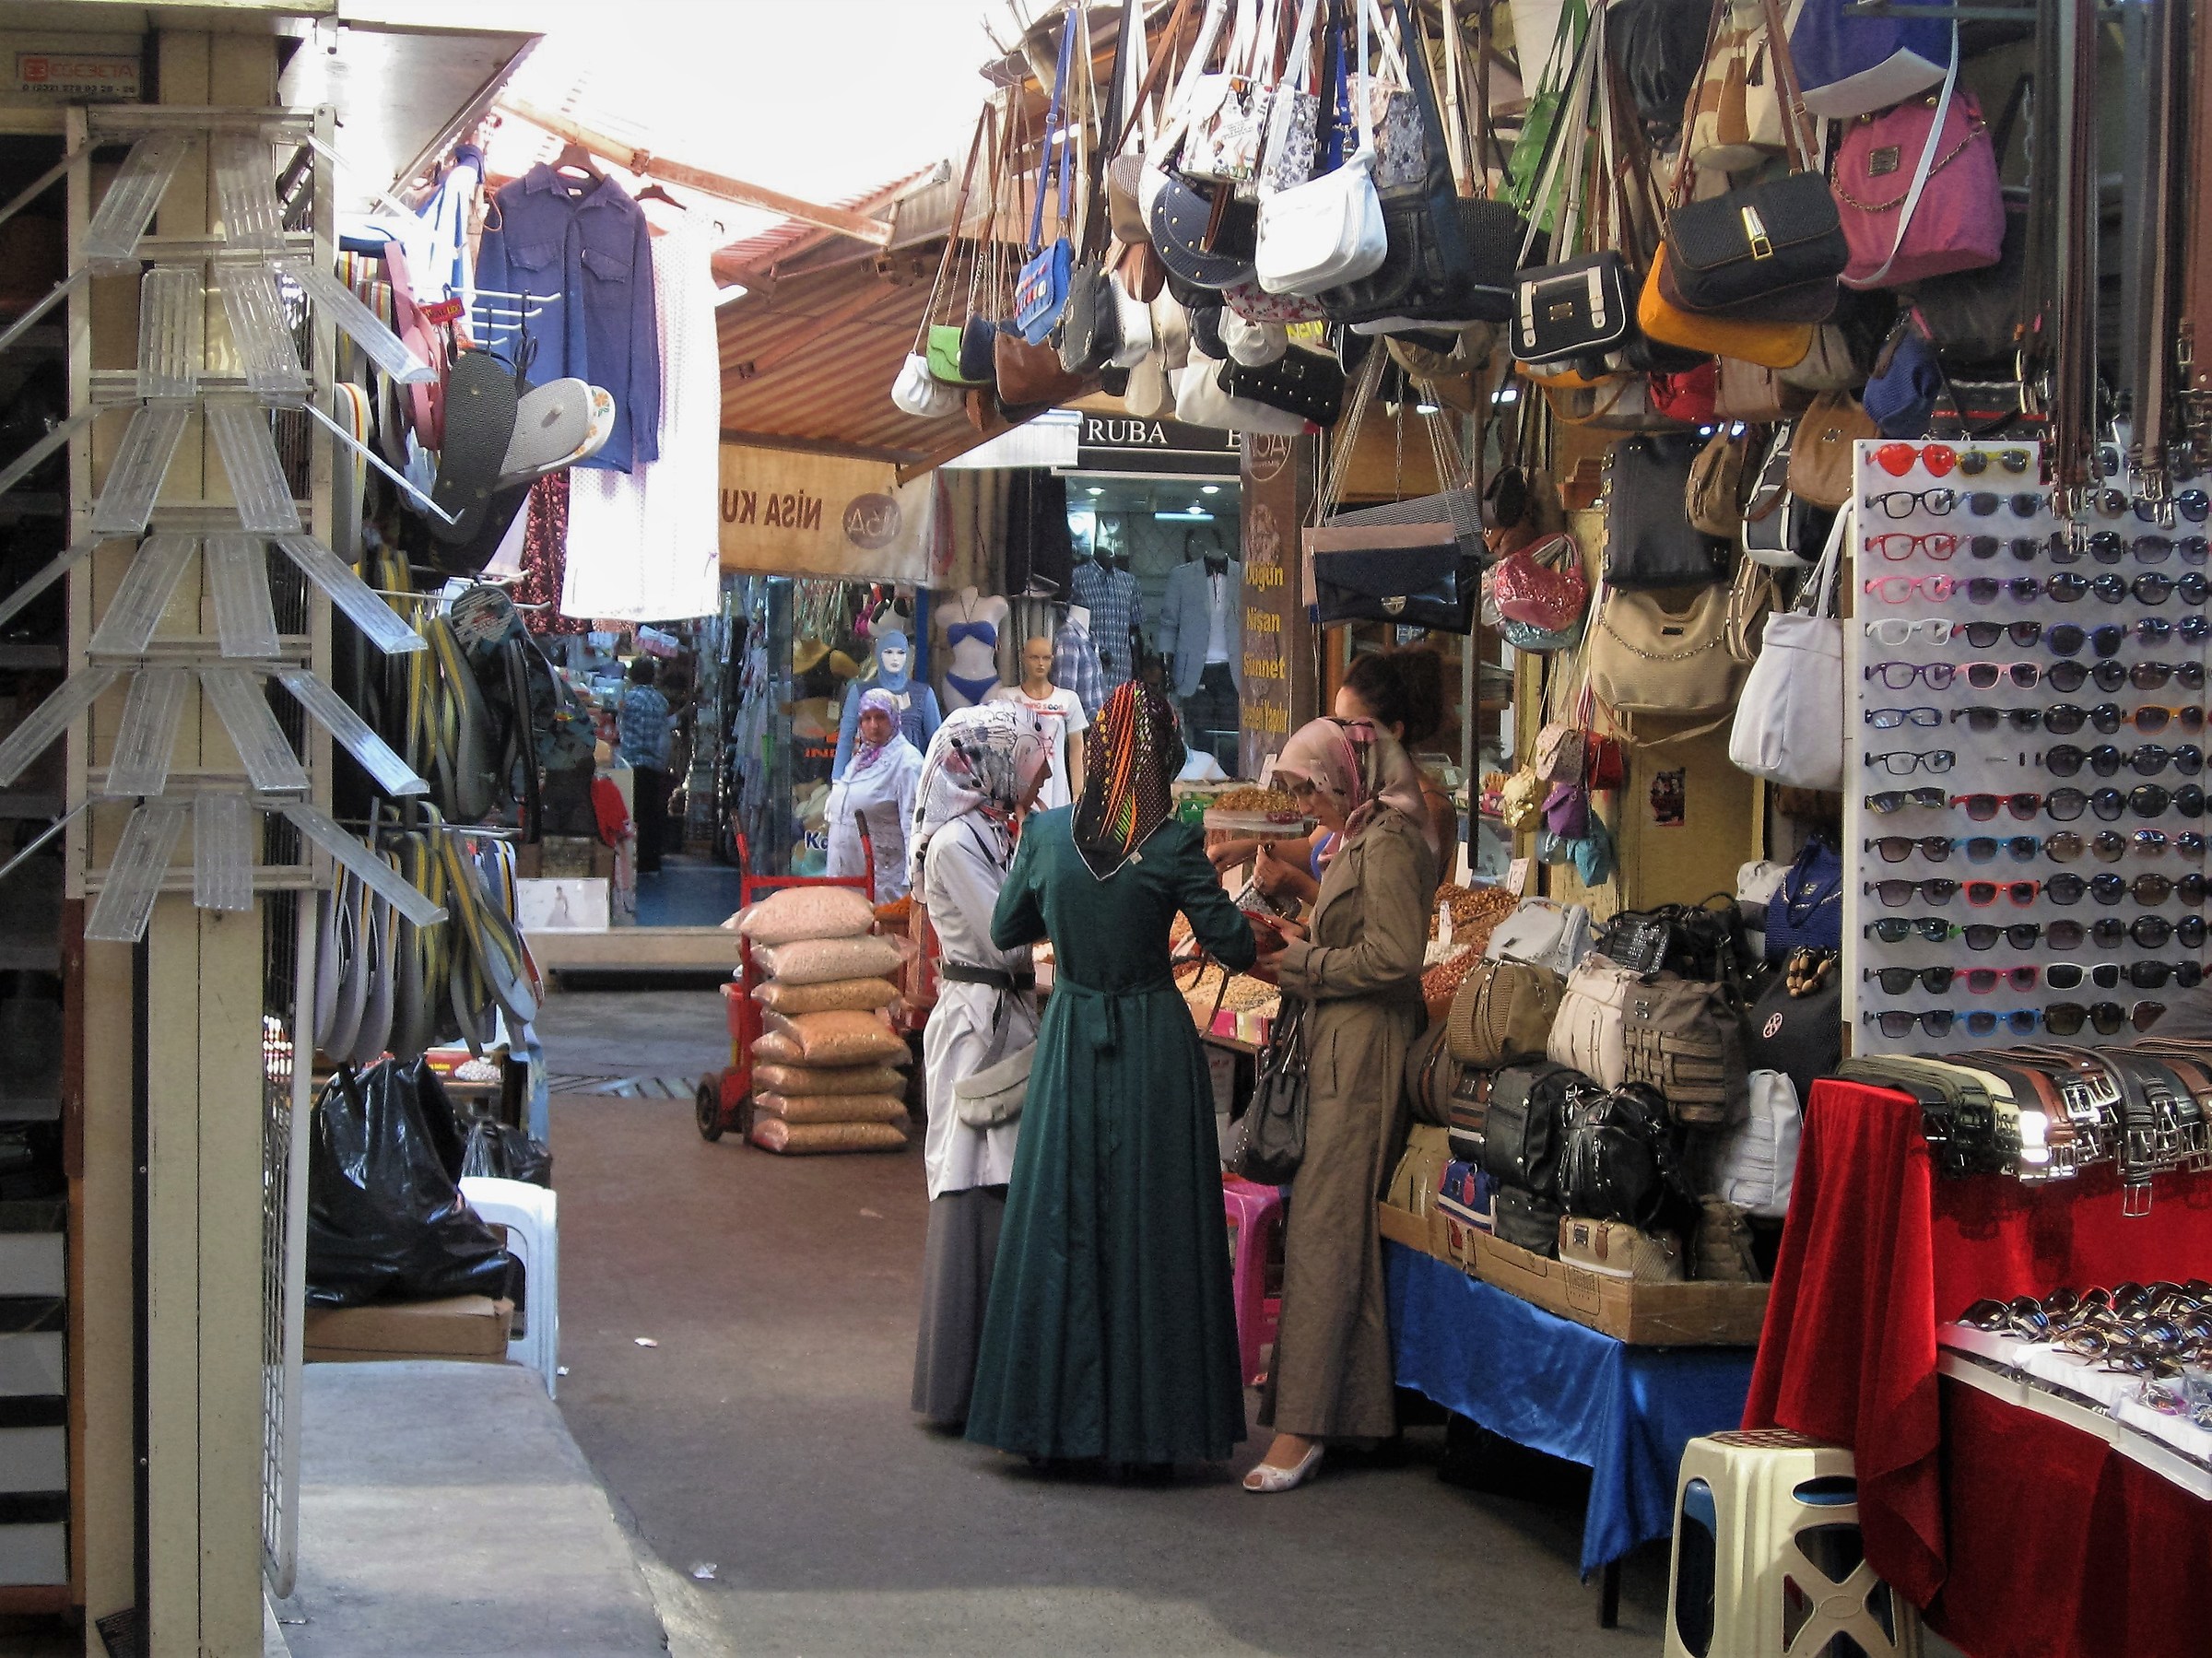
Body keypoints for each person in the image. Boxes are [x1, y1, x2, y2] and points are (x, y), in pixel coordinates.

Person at [965, 682, 1282, 1468]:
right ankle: (1152, 1429)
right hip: (1152, 1044)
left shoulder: (1045, 835)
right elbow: (1235, 946)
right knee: (1152, 1220)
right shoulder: (1173, 843)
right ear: (1161, 758)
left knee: (1063, 1214)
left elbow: (1007, 926)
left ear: (1098, 751)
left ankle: (1051, 1422)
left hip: (1073, 1037)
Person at [1242, 716, 1440, 1492]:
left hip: (1365, 1052)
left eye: (1310, 789)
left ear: (1347, 776)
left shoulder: (1389, 843)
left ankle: (1305, 1425)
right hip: (1340, 1041)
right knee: (1335, 1228)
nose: (1306, 805)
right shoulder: (1362, 836)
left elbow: (1395, 956)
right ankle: (1348, 1414)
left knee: (1328, 1228)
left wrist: (1304, 961)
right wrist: (1293, 939)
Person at [910, 704, 1053, 1429]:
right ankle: (959, 1387)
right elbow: (1006, 940)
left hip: (1007, 1017)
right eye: (1033, 764)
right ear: (989, 766)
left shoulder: (995, 831)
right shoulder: (953, 845)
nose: (1043, 777)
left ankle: (993, 1383)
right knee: (971, 1178)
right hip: (977, 1026)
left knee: (1003, 1176)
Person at [1211, 649, 1457, 904]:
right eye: (1335, 721)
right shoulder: (1355, 794)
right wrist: (1249, 849)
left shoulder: (1420, 810)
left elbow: (1384, 913)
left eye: (1350, 723)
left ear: (1393, 731)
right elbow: (1311, 847)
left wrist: (1299, 886)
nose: (1335, 733)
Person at [824, 689, 924, 903]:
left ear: (894, 719)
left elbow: (914, 825)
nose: (873, 725)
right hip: (846, 879)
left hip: (883, 883)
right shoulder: (861, 759)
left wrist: (914, 882)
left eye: (881, 717)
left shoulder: (907, 762)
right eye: (866, 719)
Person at [1159, 546, 1242, 773]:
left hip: (1233, 671)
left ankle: (1232, 785)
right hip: (1195, 671)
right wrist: (1166, 667)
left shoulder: (1244, 574)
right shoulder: (1181, 576)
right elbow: (1168, 624)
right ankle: (1198, 784)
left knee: (1231, 739)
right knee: (1198, 738)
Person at [986, 636, 1088, 812]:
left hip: (1056, 787)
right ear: (1023, 658)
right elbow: (998, 748)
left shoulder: (1068, 699)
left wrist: (1078, 793)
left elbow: (1077, 749)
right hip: (1018, 788)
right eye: (1034, 657)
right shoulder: (1007, 697)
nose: (1040, 663)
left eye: (1046, 658)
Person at [617, 656, 674, 875]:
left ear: (633, 676)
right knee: (651, 813)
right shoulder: (660, 701)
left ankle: (630, 860)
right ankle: (650, 862)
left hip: (629, 762)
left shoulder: (628, 699)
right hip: (652, 764)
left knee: (631, 813)